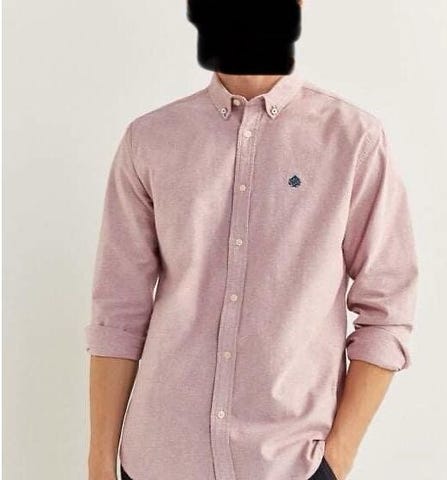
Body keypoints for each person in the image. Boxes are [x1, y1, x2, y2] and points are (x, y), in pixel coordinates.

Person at [85, 1, 419, 479]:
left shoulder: (353, 140)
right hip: (159, 459)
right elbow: (118, 311)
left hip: (288, 464)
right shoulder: (150, 140)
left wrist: (338, 457)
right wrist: (100, 461)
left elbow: (387, 311)